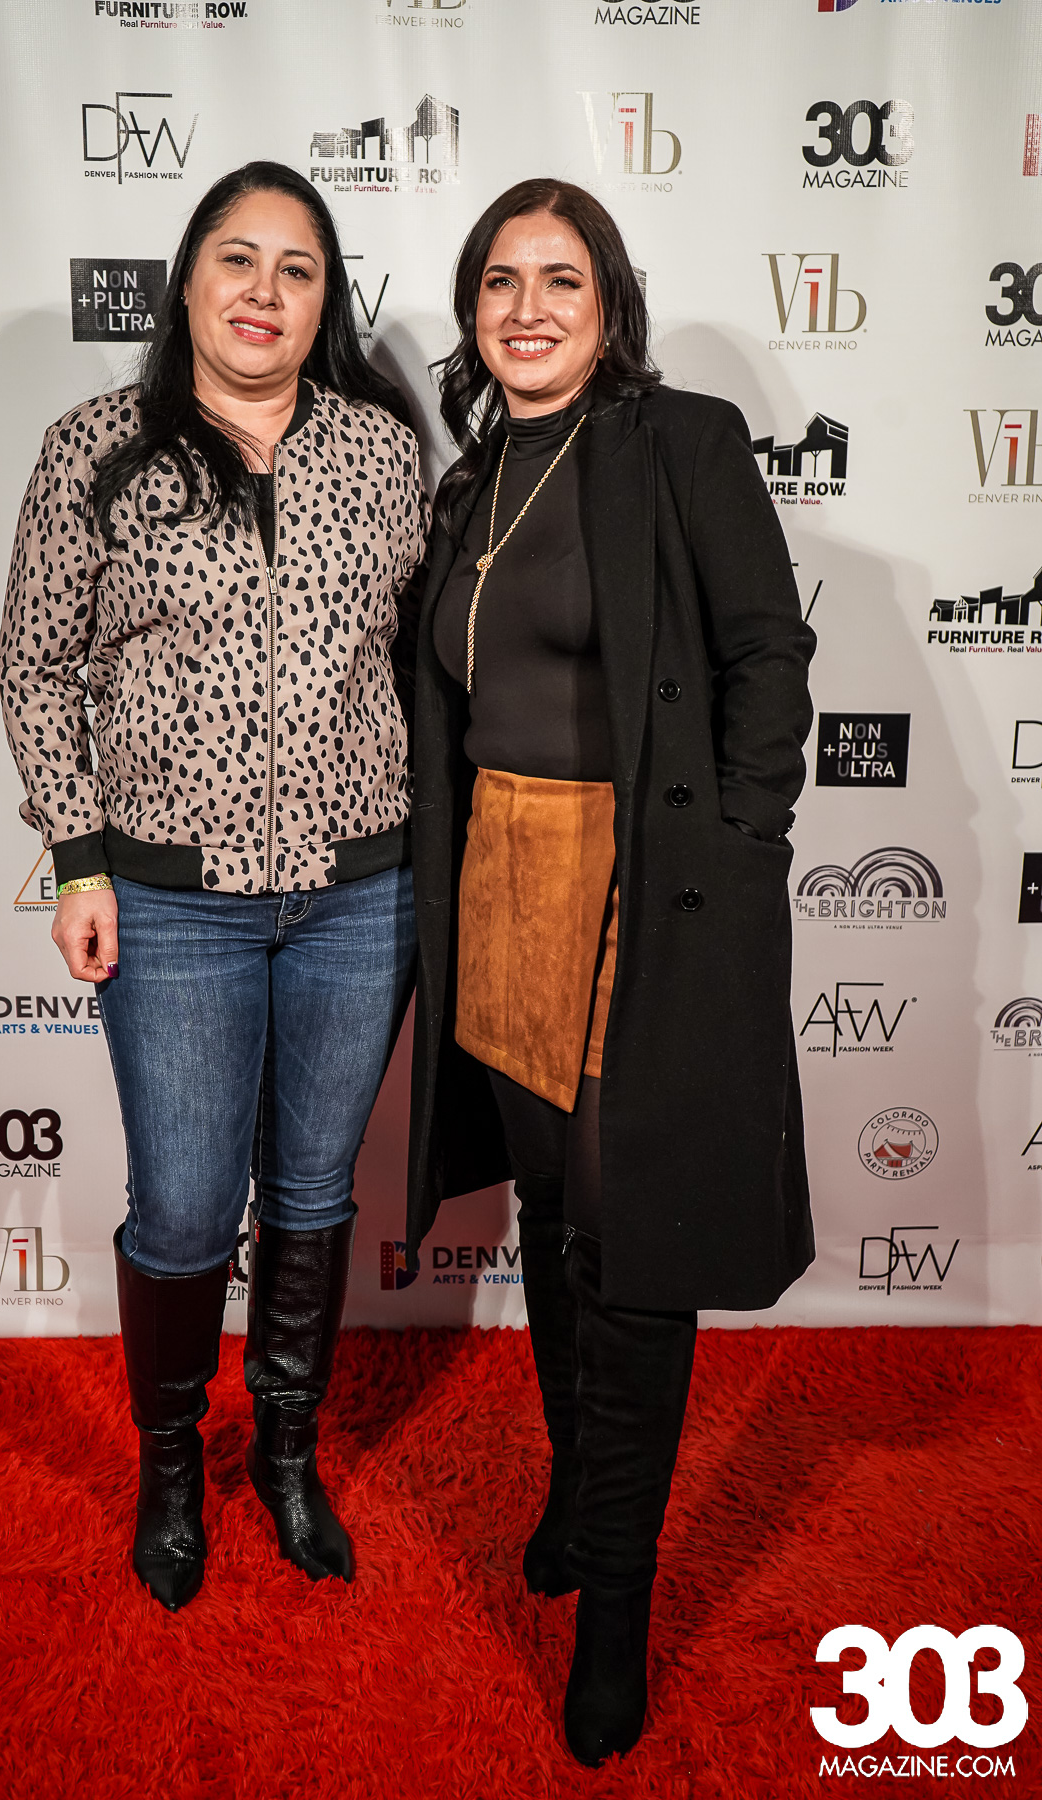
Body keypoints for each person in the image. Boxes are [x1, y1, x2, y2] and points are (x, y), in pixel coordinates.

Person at [407, 179, 815, 1766]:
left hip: (643, 883)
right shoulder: (470, 482)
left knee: (631, 1245)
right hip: (500, 881)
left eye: (560, 280)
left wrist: (738, 851)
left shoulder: (678, 443)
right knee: (557, 1218)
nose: (528, 310)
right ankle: (580, 1497)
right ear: (472, 309)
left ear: (610, 305)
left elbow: (767, 653)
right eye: (500, 282)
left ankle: (619, 1610)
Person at [0, 162, 426, 1611]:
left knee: (312, 1191)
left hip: (359, 895)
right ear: (187, 279)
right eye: (237, 259)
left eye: (297, 269)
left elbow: (423, 660)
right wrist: (77, 855)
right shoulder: (96, 448)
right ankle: (173, 1464)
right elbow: (37, 665)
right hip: (172, 902)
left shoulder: (382, 453)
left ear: (326, 302)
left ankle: (288, 1454)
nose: (263, 291)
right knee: (184, 1208)